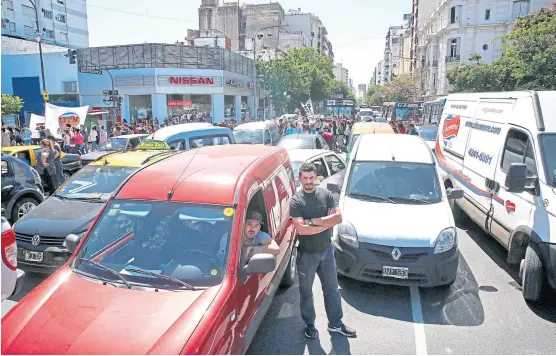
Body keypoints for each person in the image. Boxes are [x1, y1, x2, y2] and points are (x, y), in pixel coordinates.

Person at [289, 162, 356, 339]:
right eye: (305, 178)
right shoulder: (296, 201)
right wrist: (324, 222)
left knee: (332, 290)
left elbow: (338, 218)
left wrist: (311, 222)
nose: (309, 181)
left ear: (316, 177)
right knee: (306, 293)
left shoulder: (326, 194)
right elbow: (300, 229)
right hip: (306, 255)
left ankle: (335, 324)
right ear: (300, 178)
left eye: (311, 177)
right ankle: (310, 326)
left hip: (326, 252)